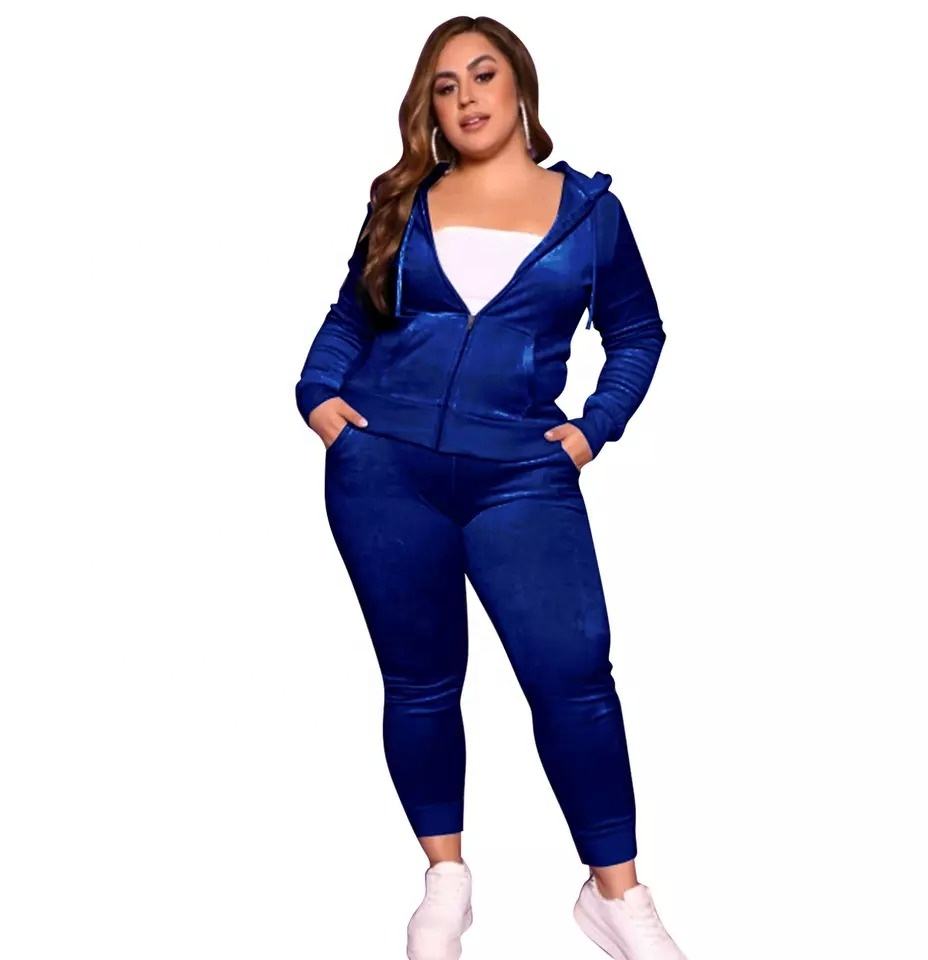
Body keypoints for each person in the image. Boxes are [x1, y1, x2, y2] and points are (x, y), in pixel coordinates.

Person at [295, 16, 687, 960]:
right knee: (420, 681)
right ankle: (446, 879)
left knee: (574, 679)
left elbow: (638, 332)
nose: (466, 96)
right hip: (383, 471)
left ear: (520, 88)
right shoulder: (404, 201)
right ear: (429, 108)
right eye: (445, 85)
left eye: (483, 75)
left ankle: (618, 897)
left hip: (521, 474)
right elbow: (349, 316)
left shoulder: (589, 214)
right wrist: (317, 395)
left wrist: (593, 429)